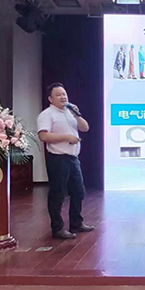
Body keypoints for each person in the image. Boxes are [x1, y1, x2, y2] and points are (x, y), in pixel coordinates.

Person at [37, 83, 95, 239]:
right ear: (50, 99)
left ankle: (76, 223)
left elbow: (85, 128)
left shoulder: (70, 112)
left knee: (79, 191)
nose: (63, 97)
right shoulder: (47, 114)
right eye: (58, 95)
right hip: (58, 158)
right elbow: (43, 136)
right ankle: (57, 228)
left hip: (73, 158)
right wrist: (66, 137)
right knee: (58, 194)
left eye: (64, 94)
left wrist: (77, 114)